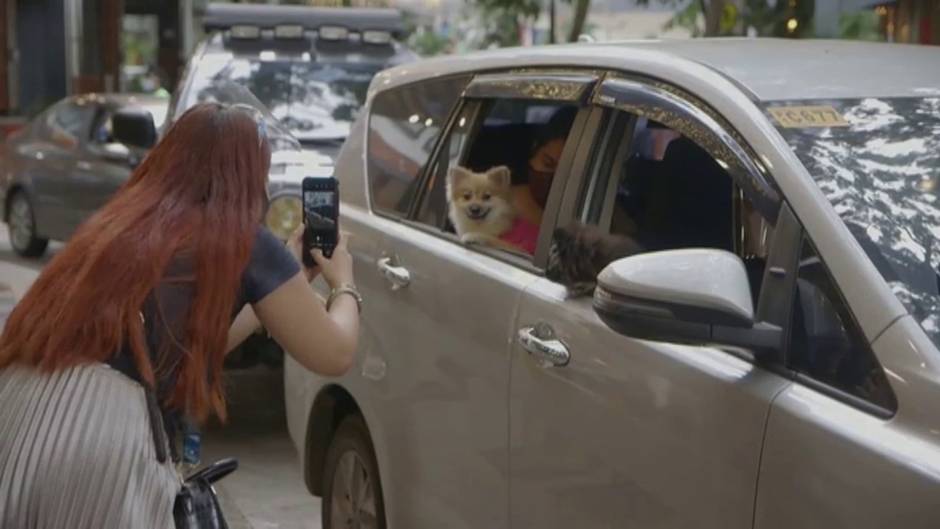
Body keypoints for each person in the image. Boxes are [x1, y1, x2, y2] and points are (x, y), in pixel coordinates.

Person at [0, 103, 360, 529]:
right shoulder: (240, 239)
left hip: (22, 413)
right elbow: (334, 352)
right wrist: (343, 282)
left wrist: (289, 276)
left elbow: (189, 343)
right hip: (97, 438)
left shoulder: (122, 221)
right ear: (248, 175)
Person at [500, 106, 577, 255]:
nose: (554, 178)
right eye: (548, 164)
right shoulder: (503, 205)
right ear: (534, 148)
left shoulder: (599, 201)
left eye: (567, 173)